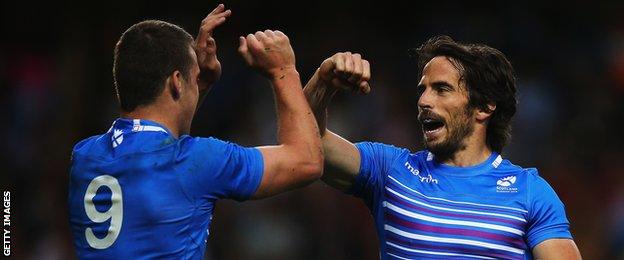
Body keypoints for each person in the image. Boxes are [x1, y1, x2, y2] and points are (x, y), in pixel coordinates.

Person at [68, 4, 323, 259]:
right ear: (177, 82)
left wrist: (200, 83)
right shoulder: (199, 160)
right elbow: (307, 160)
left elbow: (161, 155)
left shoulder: (84, 157)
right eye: (192, 76)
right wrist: (283, 71)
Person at [303, 36, 581, 259]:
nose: (423, 100)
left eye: (441, 89)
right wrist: (322, 84)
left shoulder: (530, 191)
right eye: (422, 89)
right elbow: (307, 144)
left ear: (484, 107)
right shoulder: (390, 170)